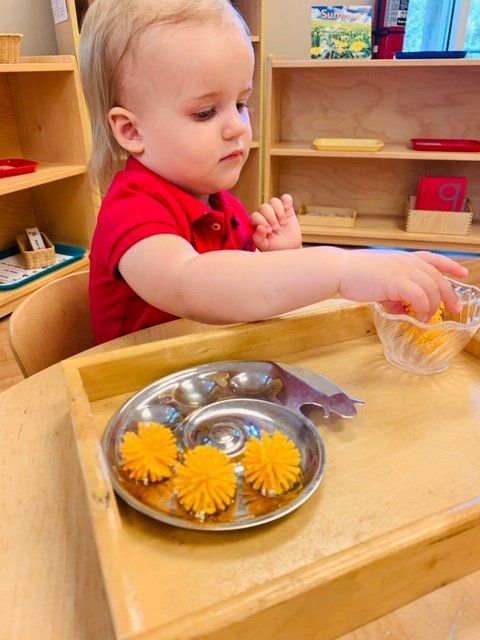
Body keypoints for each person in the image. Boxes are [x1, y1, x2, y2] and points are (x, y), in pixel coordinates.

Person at [79, 0, 467, 344]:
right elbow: (192, 284)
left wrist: (281, 258)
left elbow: (246, 291)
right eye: (205, 112)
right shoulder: (129, 211)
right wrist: (339, 266)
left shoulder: (221, 202)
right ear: (132, 131)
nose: (237, 127)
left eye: (241, 104)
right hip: (139, 394)